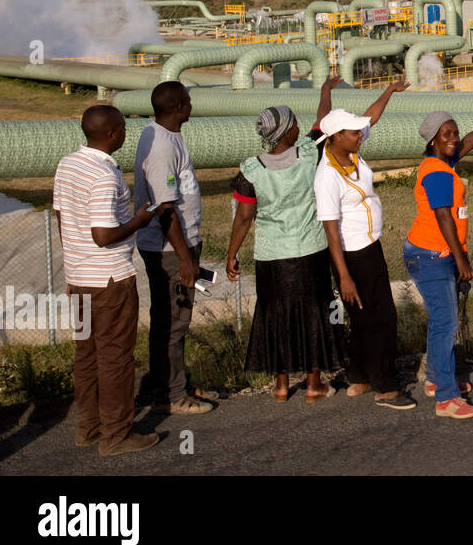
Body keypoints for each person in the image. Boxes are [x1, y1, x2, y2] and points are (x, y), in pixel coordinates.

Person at [53, 105, 169, 456]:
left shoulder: (67, 164)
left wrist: (72, 267)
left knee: (86, 355)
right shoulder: (104, 175)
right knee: (115, 357)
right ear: (112, 134)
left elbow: (61, 217)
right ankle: (116, 435)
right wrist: (140, 219)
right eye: (122, 129)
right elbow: (103, 235)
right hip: (110, 279)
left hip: (81, 278)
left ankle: (88, 428)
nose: (125, 134)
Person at [225, 78, 346, 403]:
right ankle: (313, 384)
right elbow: (322, 121)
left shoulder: (251, 172)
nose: (298, 126)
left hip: (271, 257)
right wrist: (325, 91)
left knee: (275, 315)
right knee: (313, 314)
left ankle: (280, 385)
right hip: (309, 252)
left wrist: (231, 254)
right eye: (294, 123)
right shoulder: (309, 154)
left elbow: (244, 217)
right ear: (288, 133)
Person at [404, 98, 473, 420]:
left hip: (430, 253)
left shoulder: (443, 162)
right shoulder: (437, 173)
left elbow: (466, 144)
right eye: (447, 134)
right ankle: (447, 400)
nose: (454, 139)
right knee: (447, 323)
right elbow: (443, 216)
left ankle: (437, 380)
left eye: (455, 133)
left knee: (440, 320)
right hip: (433, 255)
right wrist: (460, 257)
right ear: (433, 139)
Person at [314, 78, 416, 410]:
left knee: (361, 317)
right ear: (336, 137)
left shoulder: (350, 150)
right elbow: (331, 231)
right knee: (381, 317)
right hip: (353, 254)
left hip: (366, 247)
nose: (362, 133)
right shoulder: (327, 175)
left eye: (359, 131)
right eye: (354, 131)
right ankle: (386, 387)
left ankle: (359, 376)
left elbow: (371, 117)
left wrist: (389, 91)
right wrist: (343, 276)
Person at [132, 80, 215, 415]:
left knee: (172, 318)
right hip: (168, 249)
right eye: (189, 100)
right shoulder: (163, 147)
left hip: (178, 245)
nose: (192, 104)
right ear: (179, 106)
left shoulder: (168, 136)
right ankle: (172, 394)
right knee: (173, 321)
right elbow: (165, 209)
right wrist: (184, 259)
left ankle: (167, 382)